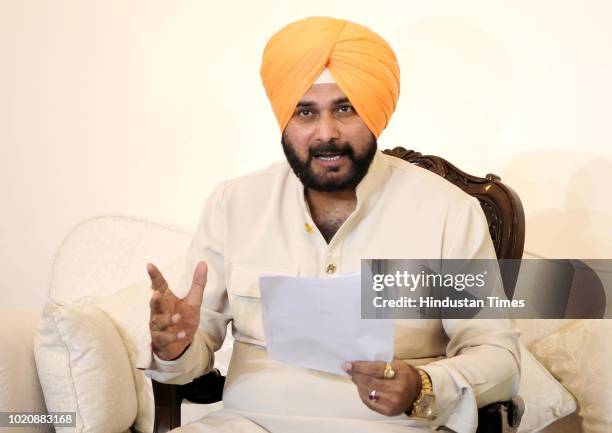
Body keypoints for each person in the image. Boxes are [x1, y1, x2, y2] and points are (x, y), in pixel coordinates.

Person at [137, 16, 520, 433]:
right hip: (246, 423)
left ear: (374, 114)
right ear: (285, 119)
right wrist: (175, 348)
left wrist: (425, 387)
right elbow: (188, 359)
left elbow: (498, 355)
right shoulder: (235, 204)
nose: (326, 133)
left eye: (345, 108)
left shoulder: (447, 212)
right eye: (305, 112)